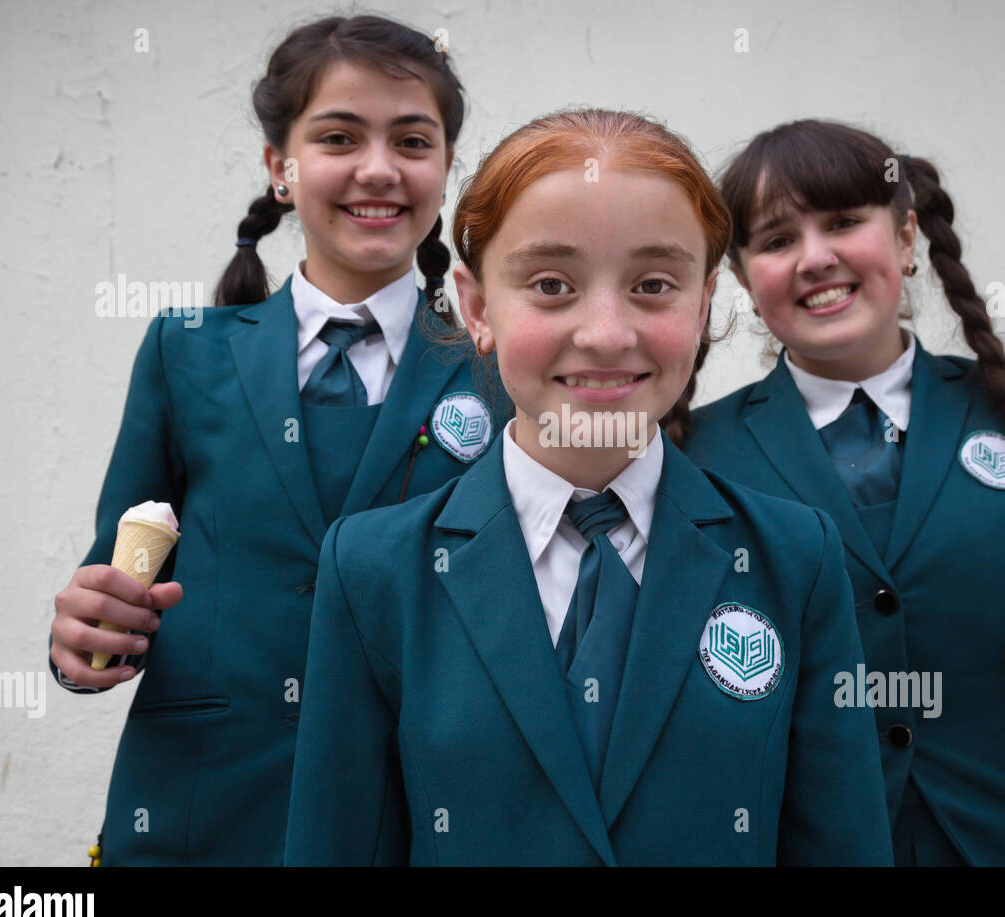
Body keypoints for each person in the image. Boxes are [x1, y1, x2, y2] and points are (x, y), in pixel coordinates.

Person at [283, 109, 893, 865]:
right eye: (550, 284)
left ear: (702, 305)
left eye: (652, 285)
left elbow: (842, 843)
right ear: (476, 308)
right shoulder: (374, 568)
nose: (606, 332)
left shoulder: (794, 556)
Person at [47, 14, 509, 865]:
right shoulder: (184, 350)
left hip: (412, 814)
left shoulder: (496, 371)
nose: (378, 168)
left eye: (413, 139)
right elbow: (120, 579)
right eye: (338, 137)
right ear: (281, 169)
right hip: (200, 807)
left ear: (444, 171)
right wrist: (83, 642)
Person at [684, 118, 1005, 865]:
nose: (815, 258)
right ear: (740, 276)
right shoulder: (701, 452)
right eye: (776, 241)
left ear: (904, 239)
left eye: (842, 222)